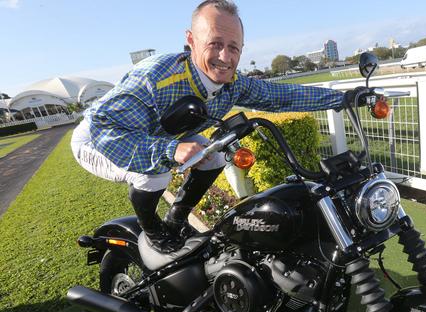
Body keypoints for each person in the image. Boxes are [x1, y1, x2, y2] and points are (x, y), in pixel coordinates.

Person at [71, 0, 358, 253]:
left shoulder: (233, 84)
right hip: (98, 141)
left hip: (161, 136)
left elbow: (282, 96)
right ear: (191, 40)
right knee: (154, 175)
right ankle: (153, 230)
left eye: (233, 47)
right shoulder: (153, 77)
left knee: (216, 155)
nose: (225, 57)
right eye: (215, 44)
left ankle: (176, 219)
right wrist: (170, 149)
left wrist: (343, 98)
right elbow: (105, 129)